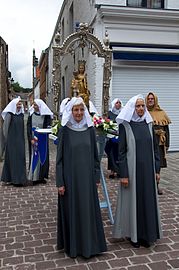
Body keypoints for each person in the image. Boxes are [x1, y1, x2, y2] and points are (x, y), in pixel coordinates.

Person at [56, 97, 107, 258]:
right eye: (75, 110)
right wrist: (60, 182)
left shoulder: (90, 129)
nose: (78, 113)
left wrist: (97, 177)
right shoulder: (65, 130)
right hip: (70, 181)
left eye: (81, 110)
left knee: (87, 211)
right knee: (73, 211)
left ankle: (90, 245)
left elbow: (95, 157)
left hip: (87, 180)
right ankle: (75, 247)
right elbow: (59, 160)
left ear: (85, 111)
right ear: (71, 112)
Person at [113, 94, 162, 248]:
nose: (141, 109)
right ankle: (133, 236)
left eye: (143, 106)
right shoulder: (125, 126)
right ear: (132, 108)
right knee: (133, 203)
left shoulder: (149, 124)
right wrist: (124, 174)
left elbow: (155, 149)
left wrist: (157, 169)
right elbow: (121, 152)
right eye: (138, 106)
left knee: (147, 201)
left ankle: (147, 235)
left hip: (148, 171)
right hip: (132, 173)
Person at [146, 92, 171, 195]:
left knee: (157, 165)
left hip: (159, 143)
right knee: (148, 164)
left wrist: (167, 144)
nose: (150, 100)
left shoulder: (162, 113)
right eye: (149, 99)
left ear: (155, 100)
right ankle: (148, 186)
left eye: (152, 99)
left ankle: (156, 186)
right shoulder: (144, 112)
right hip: (148, 143)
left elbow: (166, 129)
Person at [1, 97, 27, 186]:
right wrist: (8, 140)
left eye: (20, 104)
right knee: (13, 159)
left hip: (20, 140)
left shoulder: (21, 115)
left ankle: (21, 179)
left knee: (20, 158)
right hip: (12, 141)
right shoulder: (10, 115)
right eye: (18, 104)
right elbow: (5, 128)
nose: (19, 106)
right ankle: (15, 180)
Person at [27, 99, 53, 184]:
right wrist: (31, 138)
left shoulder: (45, 115)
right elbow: (28, 127)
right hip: (34, 138)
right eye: (33, 105)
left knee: (43, 156)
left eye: (36, 105)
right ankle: (34, 177)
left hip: (42, 138)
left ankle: (41, 176)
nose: (34, 107)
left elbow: (48, 126)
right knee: (34, 156)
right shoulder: (31, 115)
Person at [105, 98, 123, 178]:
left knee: (119, 154)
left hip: (120, 137)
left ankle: (119, 170)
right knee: (111, 154)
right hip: (111, 137)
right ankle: (112, 170)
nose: (118, 104)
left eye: (119, 103)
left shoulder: (123, 113)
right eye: (116, 103)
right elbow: (106, 123)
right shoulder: (110, 113)